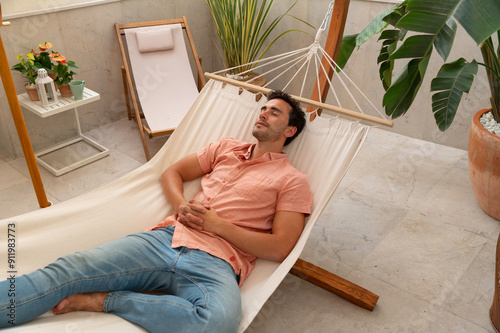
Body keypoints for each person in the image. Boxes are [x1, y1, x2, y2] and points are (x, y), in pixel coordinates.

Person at [0, 90, 313, 333]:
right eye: (263, 108)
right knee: (70, 269)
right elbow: (172, 172)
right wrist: (179, 204)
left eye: (274, 112)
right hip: (167, 238)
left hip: (219, 261)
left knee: (217, 324)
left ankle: (107, 301)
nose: (263, 114)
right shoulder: (225, 148)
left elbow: (281, 246)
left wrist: (219, 226)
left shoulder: (292, 180)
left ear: (289, 130)